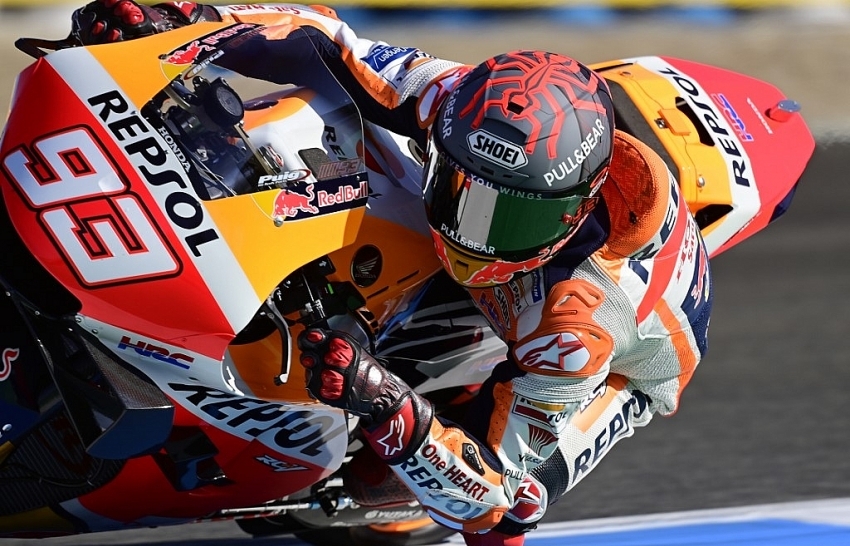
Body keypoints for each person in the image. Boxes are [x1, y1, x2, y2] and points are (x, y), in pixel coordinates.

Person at [70, 2, 713, 545]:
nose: (470, 232)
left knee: (512, 504)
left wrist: (389, 407)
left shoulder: (574, 331)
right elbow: (323, 38)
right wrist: (185, 20)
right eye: (462, 188)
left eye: (506, 216)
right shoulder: (458, 100)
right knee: (318, 139)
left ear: (573, 211)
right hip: (535, 229)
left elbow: (494, 502)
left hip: (630, 359)